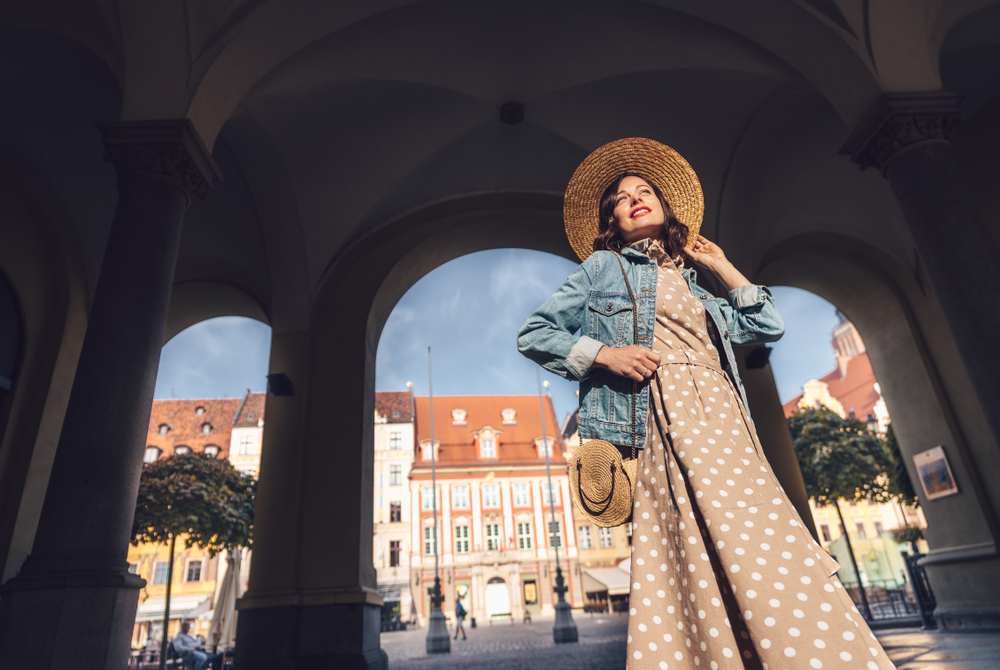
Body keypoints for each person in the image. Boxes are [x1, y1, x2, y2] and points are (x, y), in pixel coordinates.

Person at [518, 138, 896, 669]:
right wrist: (607, 354)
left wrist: (723, 266)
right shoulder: (604, 269)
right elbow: (535, 333)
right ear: (613, 222)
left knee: (763, 538)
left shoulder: (698, 286)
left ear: (667, 207)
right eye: (621, 199)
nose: (634, 199)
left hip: (725, 419)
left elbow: (769, 325)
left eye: (645, 191)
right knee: (691, 548)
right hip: (662, 418)